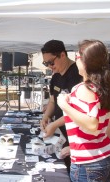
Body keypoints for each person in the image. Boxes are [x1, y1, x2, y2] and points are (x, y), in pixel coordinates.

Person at [57, 39, 110, 182]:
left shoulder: (84, 88)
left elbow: (92, 125)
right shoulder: (101, 85)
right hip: (106, 157)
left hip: (88, 164)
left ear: (84, 61)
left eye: (77, 56)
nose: (76, 59)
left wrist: (64, 105)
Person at [39, 40, 82, 171]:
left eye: (51, 62)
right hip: (60, 134)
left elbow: (78, 111)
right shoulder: (56, 76)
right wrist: (46, 117)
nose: (49, 66)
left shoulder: (78, 75)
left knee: (73, 172)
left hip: (76, 134)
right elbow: (53, 100)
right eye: (45, 63)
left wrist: (54, 124)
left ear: (62, 55)